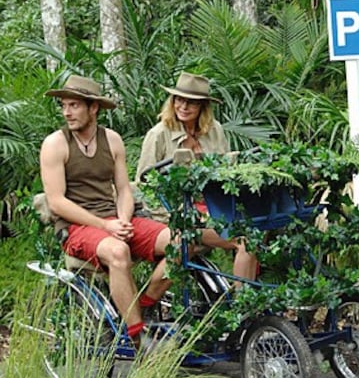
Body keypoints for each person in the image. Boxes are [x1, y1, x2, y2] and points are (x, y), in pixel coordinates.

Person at [40, 75, 172, 349]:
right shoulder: (55, 144)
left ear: (94, 108)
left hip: (114, 220)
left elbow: (124, 189)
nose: (67, 112)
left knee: (181, 240)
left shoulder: (111, 140)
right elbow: (56, 202)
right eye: (64, 105)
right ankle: (139, 339)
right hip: (77, 228)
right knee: (118, 251)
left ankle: (143, 303)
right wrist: (105, 225)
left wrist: (123, 220)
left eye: (74, 105)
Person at [136, 72, 258, 283]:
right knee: (244, 241)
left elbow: (226, 173)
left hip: (214, 208)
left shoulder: (214, 130)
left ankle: (247, 298)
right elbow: (144, 184)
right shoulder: (158, 134)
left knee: (258, 230)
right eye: (179, 100)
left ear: (203, 106)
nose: (183, 107)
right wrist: (171, 217)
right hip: (177, 213)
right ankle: (242, 309)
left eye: (191, 102)